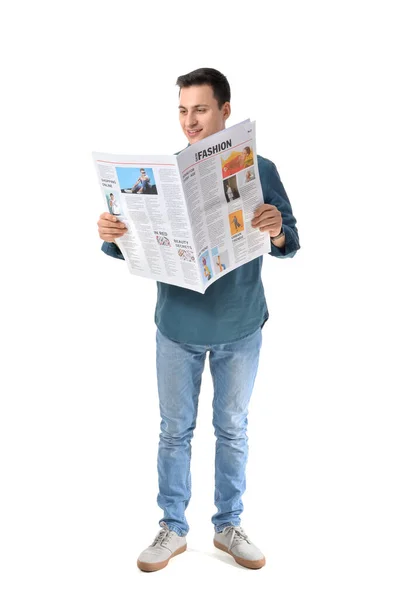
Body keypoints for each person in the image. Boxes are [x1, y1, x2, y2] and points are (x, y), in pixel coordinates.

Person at [97, 67, 300, 572]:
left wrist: (276, 232)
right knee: (174, 430)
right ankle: (172, 528)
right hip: (177, 325)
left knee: (232, 428)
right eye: (183, 111)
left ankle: (228, 524)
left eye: (201, 109)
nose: (190, 120)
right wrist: (112, 232)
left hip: (241, 323)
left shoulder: (260, 168)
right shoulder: (162, 174)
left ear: (226, 111)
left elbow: (290, 241)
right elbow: (128, 247)